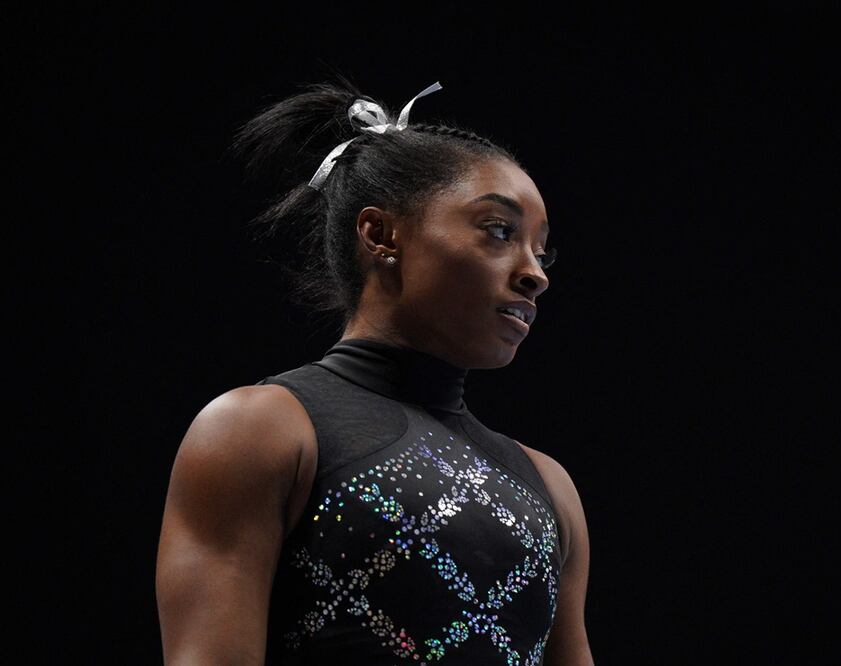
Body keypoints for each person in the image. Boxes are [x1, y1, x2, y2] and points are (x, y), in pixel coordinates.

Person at [155, 78, 593, 665]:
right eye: (499, 232)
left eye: (542, 251)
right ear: (381, 235)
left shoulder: (549, 486)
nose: (534, 273)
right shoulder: (258, 431)